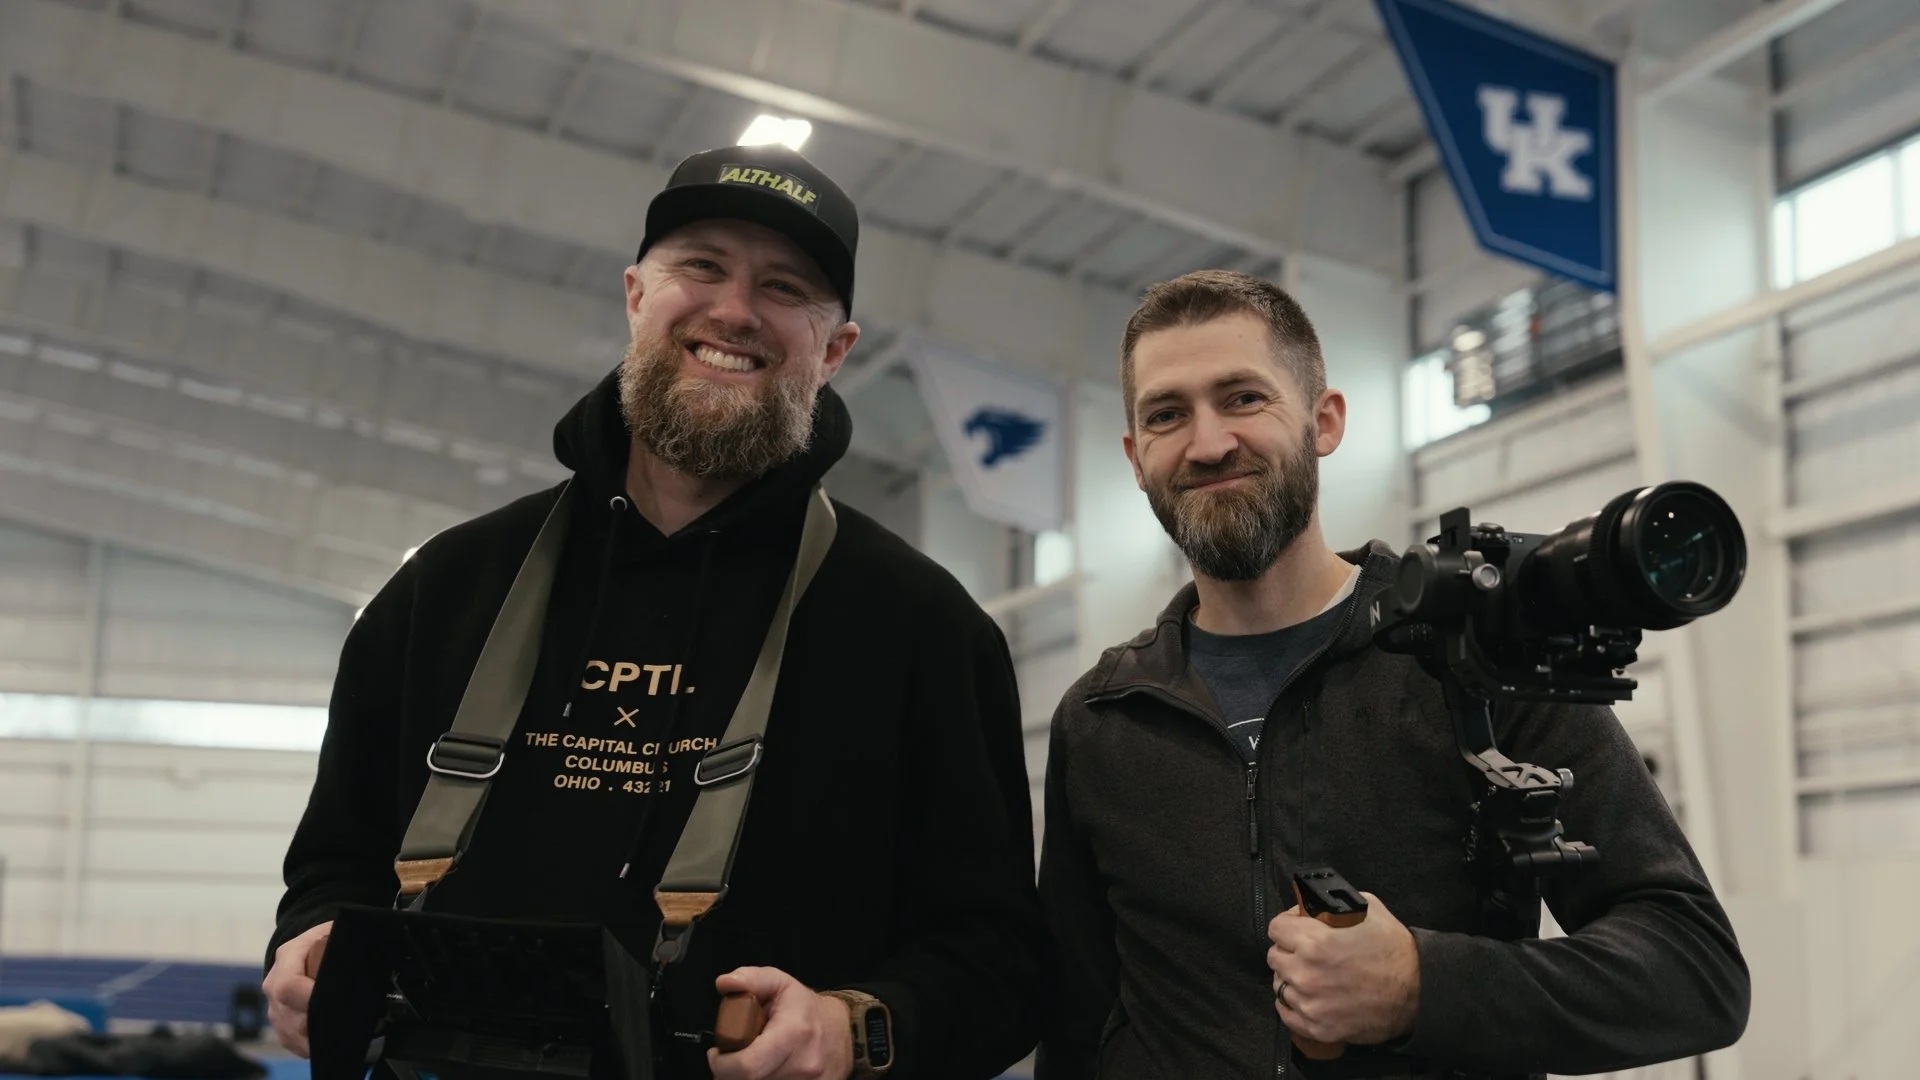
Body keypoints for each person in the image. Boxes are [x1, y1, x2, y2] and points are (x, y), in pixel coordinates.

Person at [262, 144, 1047, 1080]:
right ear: (637, 294)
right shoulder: (444, 589)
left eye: (784, 286)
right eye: (702, 266)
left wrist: (851, 1029)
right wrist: (309, 949)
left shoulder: (921, 630)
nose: (734, 310)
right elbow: (334, 864)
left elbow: (1002, 967)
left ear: (834, 352)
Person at [1034, 270, 1750, 1079]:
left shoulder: (1474, 659)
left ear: (1324, 421)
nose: (1207, 443)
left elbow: (1696, 970)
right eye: (1167, 415)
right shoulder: (1103, 720)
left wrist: (1424, 984)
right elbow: (1077, 1014)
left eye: (1243, 398)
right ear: (1136, 457)